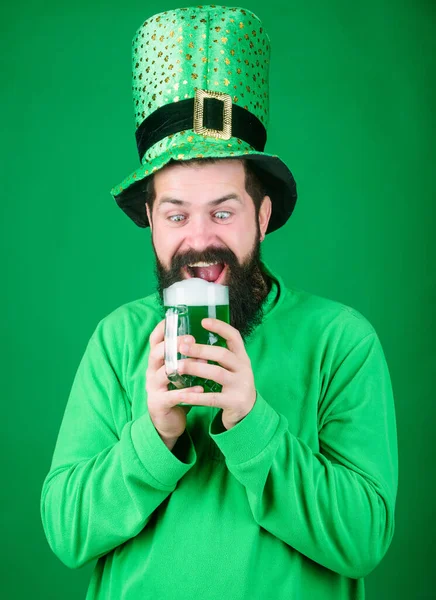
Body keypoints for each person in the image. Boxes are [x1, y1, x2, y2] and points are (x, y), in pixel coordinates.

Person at [40, 5, 398, 600]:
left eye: (224, 212)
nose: (199, 239)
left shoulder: (342, 340)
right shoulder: (116, 340)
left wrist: (254, 426)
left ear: (263, 216)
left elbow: (364, 539)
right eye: (177, 213)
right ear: (151, 220)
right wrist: (152, 436)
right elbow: (65, 533)